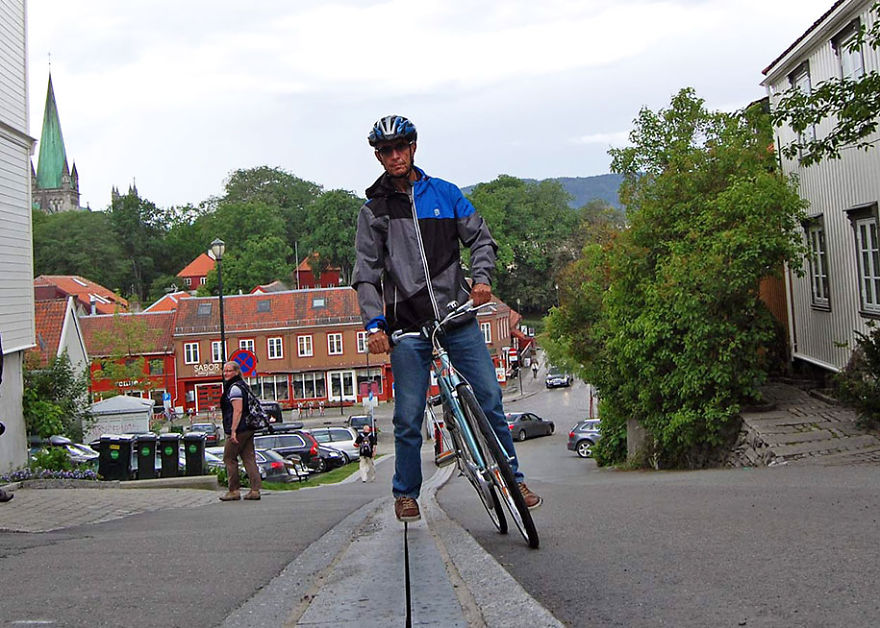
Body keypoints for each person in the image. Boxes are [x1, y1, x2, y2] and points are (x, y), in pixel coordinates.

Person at [352, 114, 542, 523]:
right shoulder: (374, 212)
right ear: (379, 156)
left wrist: (482, 279)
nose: (395, 155)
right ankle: (406, 493)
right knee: (407, 416)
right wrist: (374, 324)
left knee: (490, 398)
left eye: (401, 147)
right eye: (386, 150)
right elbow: (365, 274)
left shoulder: (446, 194)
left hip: (456, 315)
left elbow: (481, 239)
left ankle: (514, 479)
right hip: (407, 326)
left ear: (413, 148)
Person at [219, 361, 262, 501]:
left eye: (229, 371)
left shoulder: (234, 389)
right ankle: (255, 490)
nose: (226, 373)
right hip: (249, 427)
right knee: (249, 458)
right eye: (225, 371)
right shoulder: (244, 385)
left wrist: (233, 431)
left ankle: (234, 490)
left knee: (229, 458)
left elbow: (237, 411)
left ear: (237, 372)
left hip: (239, 429)